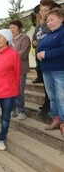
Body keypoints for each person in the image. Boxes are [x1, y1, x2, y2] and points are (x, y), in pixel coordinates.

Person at [37, 8, 64, 136]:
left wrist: (46, 54)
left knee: (61, 97)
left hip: (59, 70)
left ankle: (63, 122)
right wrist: (39, 54)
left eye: (52, 19)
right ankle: (56, 119)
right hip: (46, 70)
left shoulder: (62, 32)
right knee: (52, 97)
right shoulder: (48, 35)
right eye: (47, 21)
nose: (49, 23)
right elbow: (40, 48)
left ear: (61, 18)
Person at [32, 0, 59, 120]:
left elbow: (53, 42)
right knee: (47, 88)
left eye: (46, 11)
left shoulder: (53, 26)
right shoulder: (39, 26)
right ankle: (49, 109)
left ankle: (52, 111)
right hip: (42, 62)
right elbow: (34, 40)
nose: (43, 13)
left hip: (54, 63)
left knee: (56, 91)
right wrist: (34, 43)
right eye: (41, 11)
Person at [8, 20, 31, 120]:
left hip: (21, 69)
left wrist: (10, 56)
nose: (12, 29)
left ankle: (22, 111)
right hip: (10, 70)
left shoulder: (25, 38)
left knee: (19, 90)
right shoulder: (9, 40)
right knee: (11, 90)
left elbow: (23, 53)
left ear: (19, 28)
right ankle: (13, 110)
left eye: (14, 27)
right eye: (10, 27)